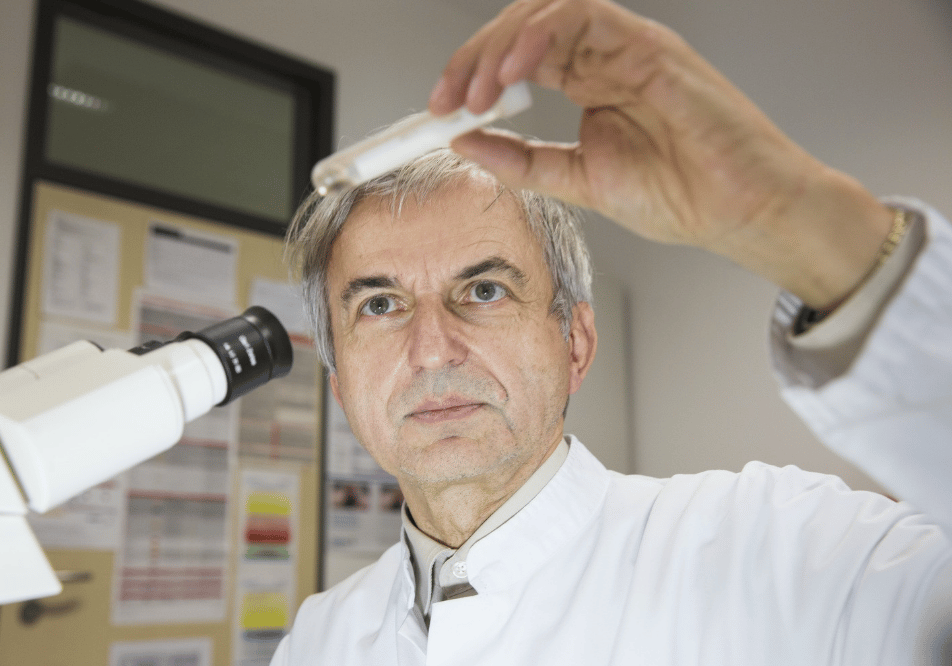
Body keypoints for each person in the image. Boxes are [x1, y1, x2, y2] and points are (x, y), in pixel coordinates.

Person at [273, 0, 952, 663]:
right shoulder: (320, 637)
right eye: (381, 306)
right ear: (340, 386)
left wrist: (785, 211)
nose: (430, 352)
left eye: (484, 291)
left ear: (576, 344)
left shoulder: (788, 553)